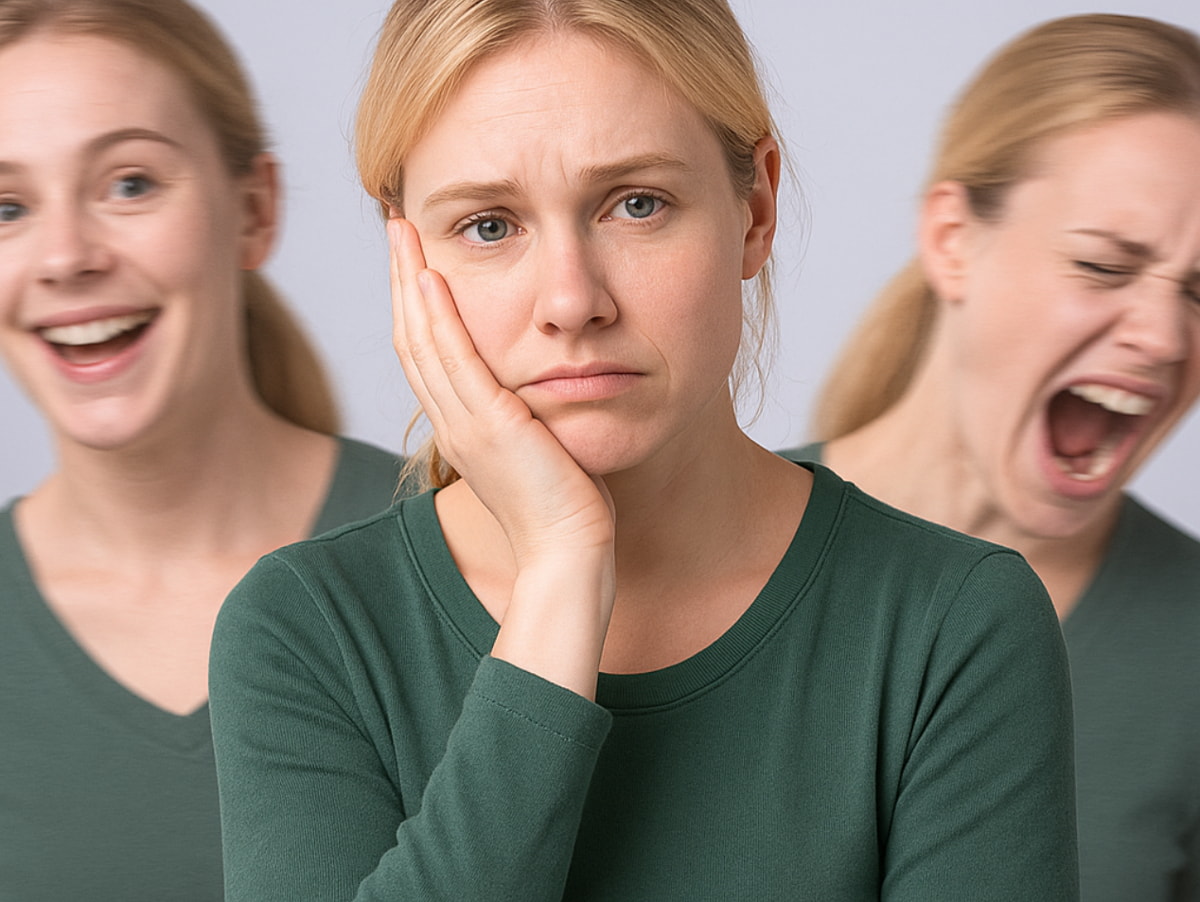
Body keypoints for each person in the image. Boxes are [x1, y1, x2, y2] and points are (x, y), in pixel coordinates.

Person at [209, 1, 1078, 898]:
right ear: (407, 256)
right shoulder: (304, 631)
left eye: (636, 204)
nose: (571, 300)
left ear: (756, 208)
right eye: (490, 225)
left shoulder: (953, 624)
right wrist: (561, 565)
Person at [781, 13, 1200, 902]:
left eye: (1199, 292)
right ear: (952, 239)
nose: (1167, 337)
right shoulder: (664, 545)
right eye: (1101, 265)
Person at [0, 1, 402, 899]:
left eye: (130, 182)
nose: (66, 256)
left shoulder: (473, 551)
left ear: (253, 209)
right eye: (7, 206)